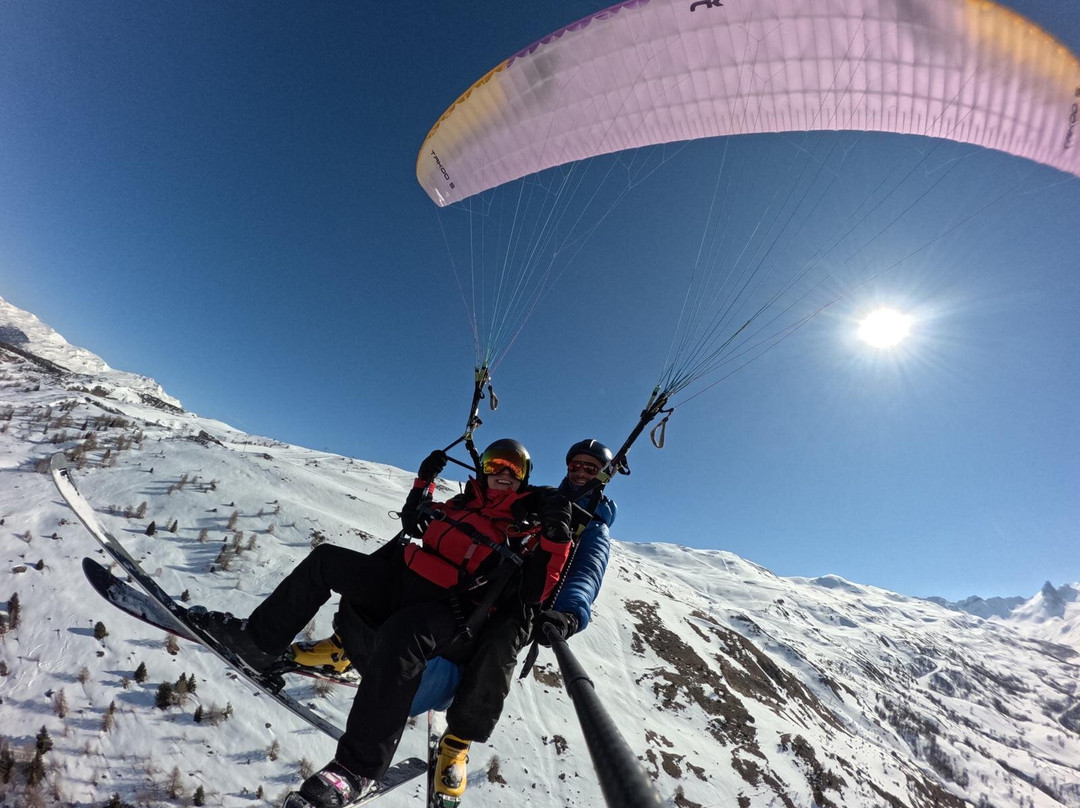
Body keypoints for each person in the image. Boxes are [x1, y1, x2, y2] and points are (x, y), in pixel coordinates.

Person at [189, 439, 573, 808]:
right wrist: (424, 483)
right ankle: (257, 643)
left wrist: (557, 539)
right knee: (328, 561)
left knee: (404, 632)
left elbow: (536, 592)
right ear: (483, 468)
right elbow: (416, 523)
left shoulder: (527, 525)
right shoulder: (462, 504)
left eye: (513, 466)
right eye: (495, 463)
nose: (503, 471)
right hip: (406, 582)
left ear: (524, 476)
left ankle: (358, 769)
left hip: (453, 610)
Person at [429, 438, 617, 804]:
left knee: (500, 643)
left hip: (526, 600)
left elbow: (586, 573)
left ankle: (458, 742)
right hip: (488, 576)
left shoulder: (594, 528)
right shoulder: (540, 498)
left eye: (590, 469)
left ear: (603, 476)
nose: (580, 472)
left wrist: (570, 613)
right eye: (575, 465)